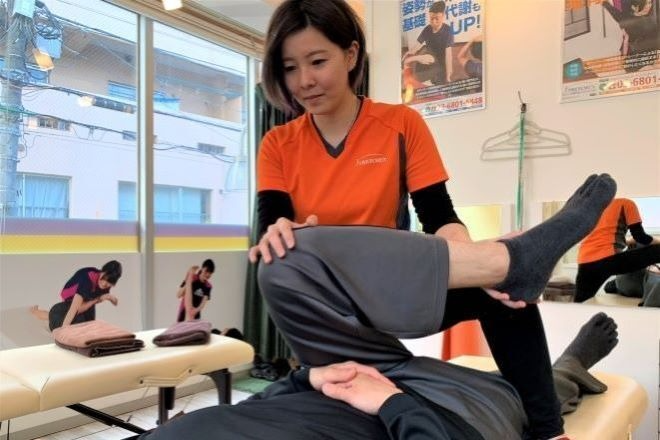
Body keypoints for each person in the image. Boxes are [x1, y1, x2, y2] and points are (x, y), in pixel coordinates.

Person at [249, 0, 598, 437]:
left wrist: (474, 268)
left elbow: (438, 216)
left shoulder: (400, 124)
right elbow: (273, 226)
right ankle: (509, 259)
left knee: (505, 295)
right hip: (327, 309)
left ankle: (549, 429)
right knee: (283, 255)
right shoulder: (277, 144)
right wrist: (279, 232)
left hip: (390, 293)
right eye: (289, 68)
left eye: (317, 61)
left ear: (351, 55)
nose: (304, 80)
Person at [134, 174, 618, 439]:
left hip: (351, 377)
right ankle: (565, 374)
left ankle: (504, 265)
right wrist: (391, 403)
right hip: (442, 418)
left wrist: (310, 378)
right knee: (519, 384)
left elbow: (251, 413)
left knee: (283, 262)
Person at [574, 197, 660, 302]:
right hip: (608, 259)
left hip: (585, 260)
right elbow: (641, 237)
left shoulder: (595, 206)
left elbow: (599, 237)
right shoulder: (627, 203)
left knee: (579, 302)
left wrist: (627, 241)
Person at [30, 260, 122, 331]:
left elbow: (104, 297)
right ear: (102, 272)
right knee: (70, 319)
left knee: (88, 324)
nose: (105, 283)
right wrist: (64, 330)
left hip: (87, 296)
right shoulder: (87, 279)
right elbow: (75, 309)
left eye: (109, 282)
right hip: (70, 295)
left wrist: (111, 298)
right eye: (104, 278)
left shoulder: (106, 285)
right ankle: (36, 312)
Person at [402, 1, 454, 85]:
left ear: (443, 16)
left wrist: (448, 75)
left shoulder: (448, 30)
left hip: (439, 61)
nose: (433, 21)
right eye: (431, 18)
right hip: (427, 57)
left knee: (431, 61)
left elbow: (448, 55)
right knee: (426, 56)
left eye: (437, 18)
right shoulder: (427, 29)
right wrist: (409, 53)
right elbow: (417, 46)